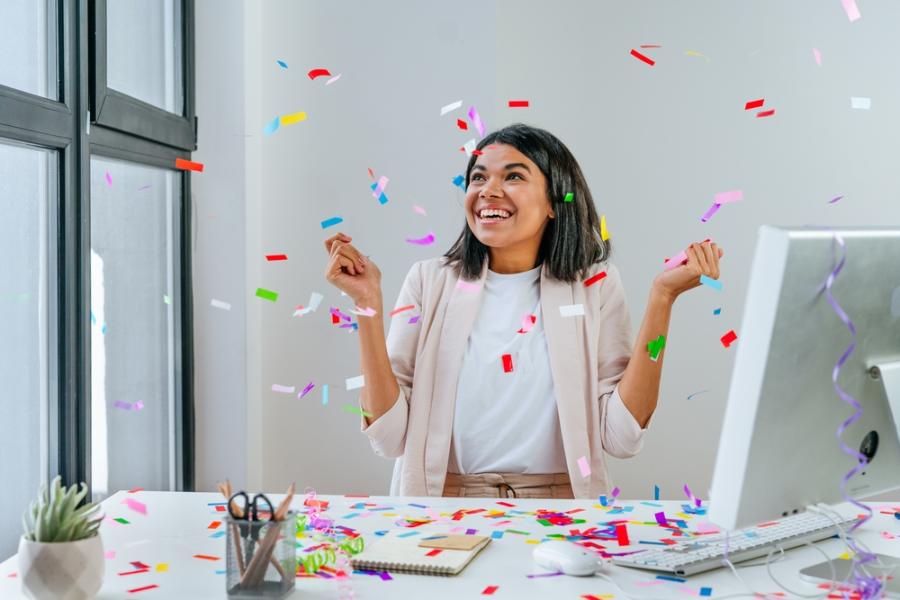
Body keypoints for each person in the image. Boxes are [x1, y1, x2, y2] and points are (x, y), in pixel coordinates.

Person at [323, 123, 722, 499]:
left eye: (513, 176)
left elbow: (621, 436)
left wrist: (662, 300)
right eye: (478, 177)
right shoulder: (429, 281)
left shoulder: (594, 285)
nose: (488, 190)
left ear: (555, 201)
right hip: (443, 505)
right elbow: (388, 437)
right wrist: (366, 304)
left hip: (562, 507)